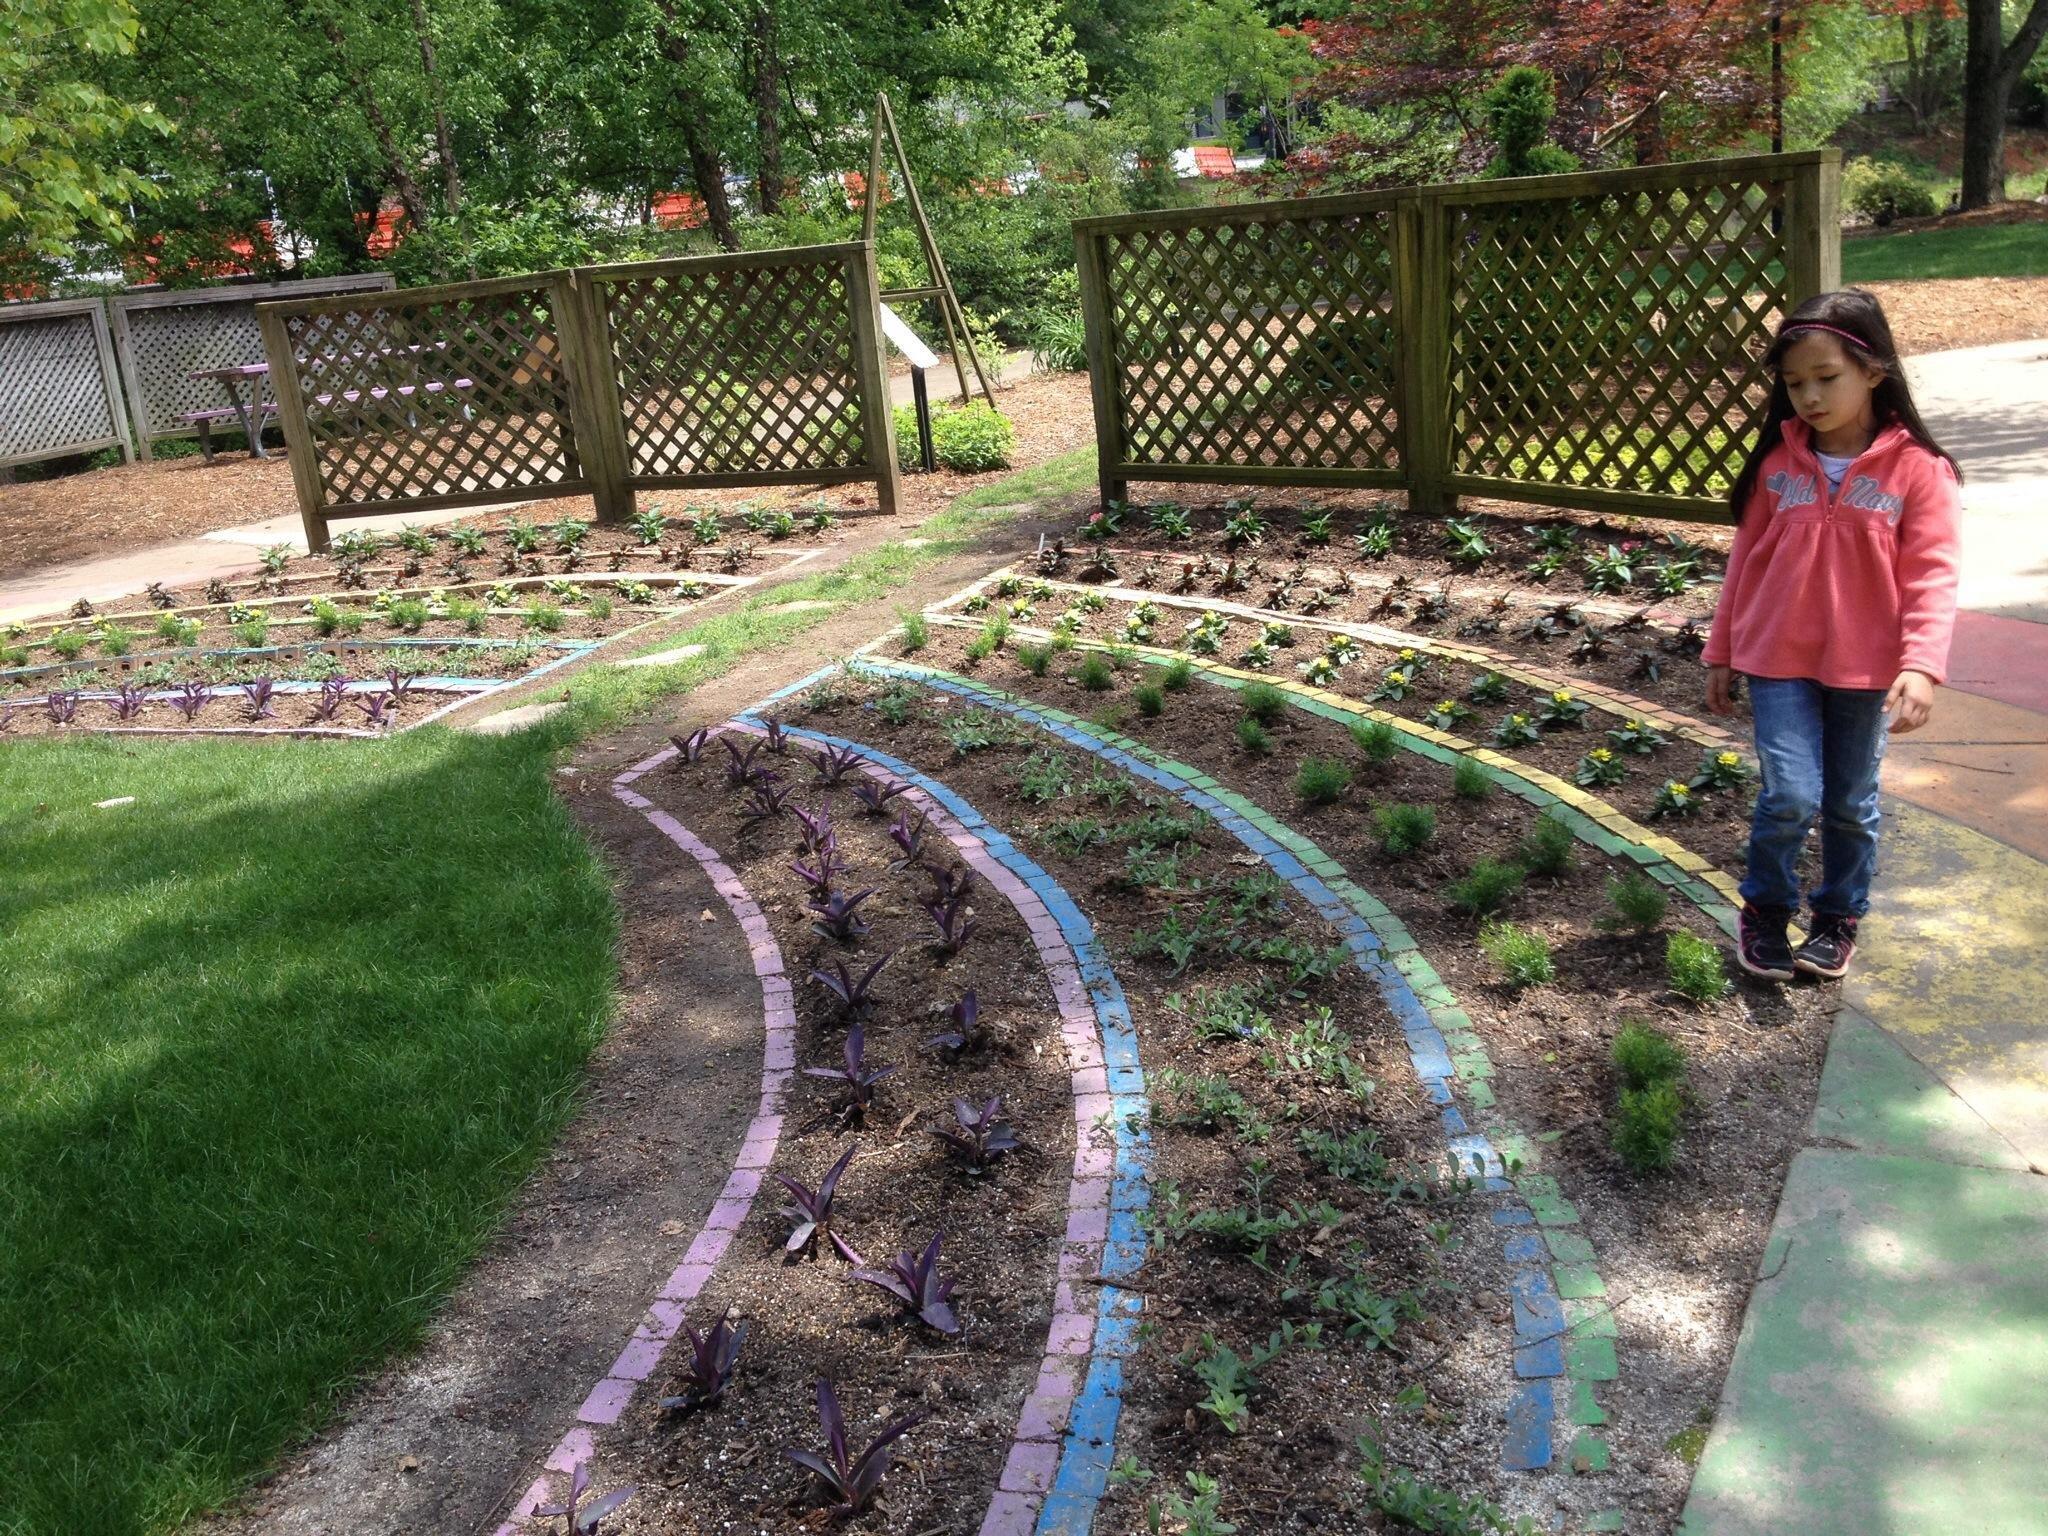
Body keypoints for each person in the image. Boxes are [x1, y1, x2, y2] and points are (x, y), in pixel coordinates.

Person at [1703, 288, 1962, 982]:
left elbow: (1933, 576)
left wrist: (1922, 665)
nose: (1808, 397)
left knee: (1851, 802)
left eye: (1826, 378)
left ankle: (1838, 914)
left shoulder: (1919, 472)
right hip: (1777, 660)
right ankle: (1763, 911)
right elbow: (1744, 564)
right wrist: (1721, 650)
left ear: (1874, 370)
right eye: (1793, 384)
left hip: (1868, 668)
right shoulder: (1777, 466)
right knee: (1788, 794)